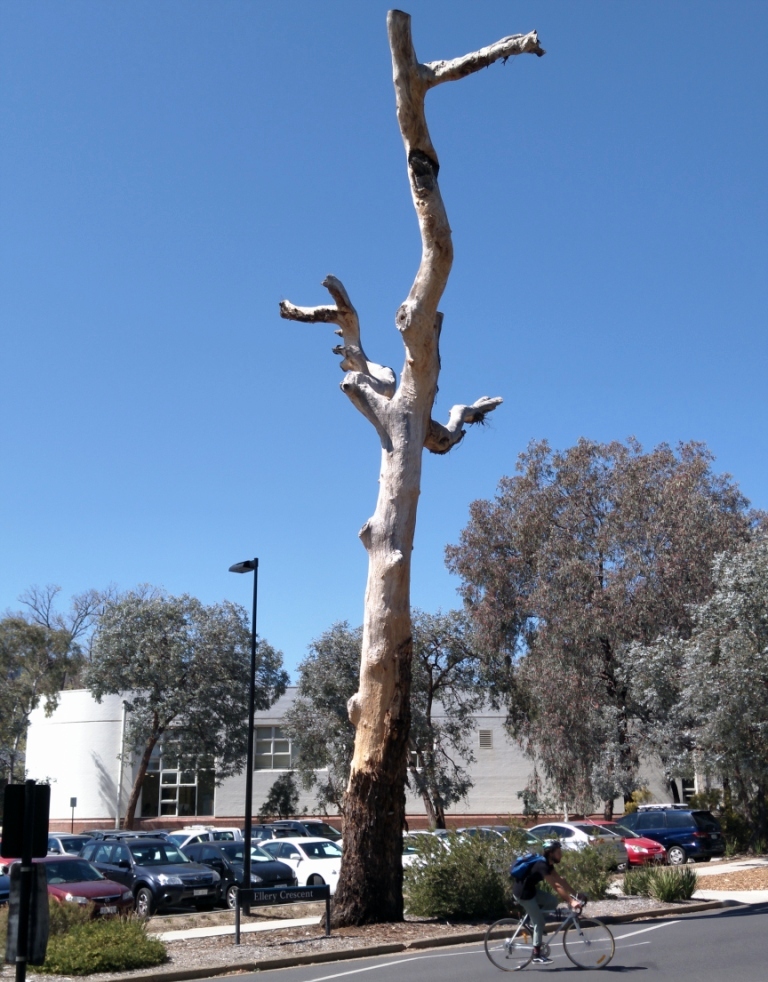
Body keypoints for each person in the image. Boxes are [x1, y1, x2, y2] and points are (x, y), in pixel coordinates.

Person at [512, 839, 585, 965]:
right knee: (539, 922)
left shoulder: (548, 864)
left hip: (531, 891)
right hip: (523, 894)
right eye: (558, 852)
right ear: (551, 853)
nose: (561, 854)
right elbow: (556, 886)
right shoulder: (542, 865)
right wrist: (571, 901)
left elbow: (560, 880)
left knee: (552, 901)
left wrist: (576, 894)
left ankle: (532, 923)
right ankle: (536, 954)